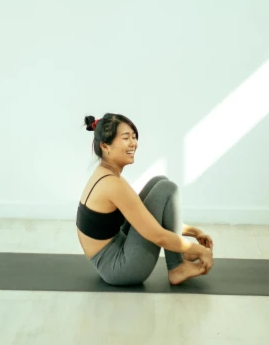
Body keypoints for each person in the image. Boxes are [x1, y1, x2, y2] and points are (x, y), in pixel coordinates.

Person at [76, 113, 214, 286]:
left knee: (159, 181)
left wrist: (194, 232)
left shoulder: (107, 174)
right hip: (117, 268)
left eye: (134, 137)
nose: (133, 143)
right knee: (167, 188)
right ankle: (176, 266)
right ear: (105, 146)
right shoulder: (112, 184)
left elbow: (145, 219)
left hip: (114, 248)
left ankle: (180, 254)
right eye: (126, 138)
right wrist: (200, 250)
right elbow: (157, 235)